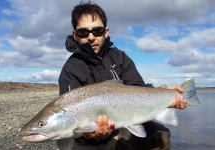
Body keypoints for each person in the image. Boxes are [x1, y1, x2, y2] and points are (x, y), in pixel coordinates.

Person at [57, 1, 187, 150]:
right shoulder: (70, 69)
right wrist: (87, 134)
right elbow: (68, 117)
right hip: (87, 141)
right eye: (83, 32)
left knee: (160, 135)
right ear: (75, 35)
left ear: (106, 32)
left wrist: (167, 94)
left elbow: (139, 89)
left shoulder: (120, 58)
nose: (91, 37)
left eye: (97, 30)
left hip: (121, 130)